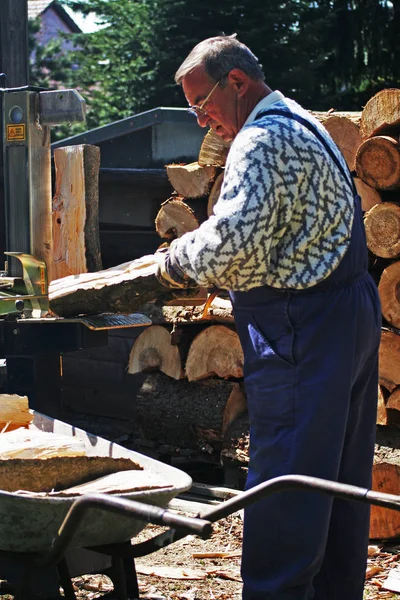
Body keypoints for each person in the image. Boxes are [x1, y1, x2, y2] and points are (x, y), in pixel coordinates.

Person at [156, 34, 381, 600]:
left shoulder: (262, 139)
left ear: (236, 82)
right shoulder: (296, 119)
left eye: (202, 102)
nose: (202, 120)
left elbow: (229, 246)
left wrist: (171, 263)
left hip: (302, 330)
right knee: (336, 490)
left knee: (287, 494)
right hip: (343, 318)